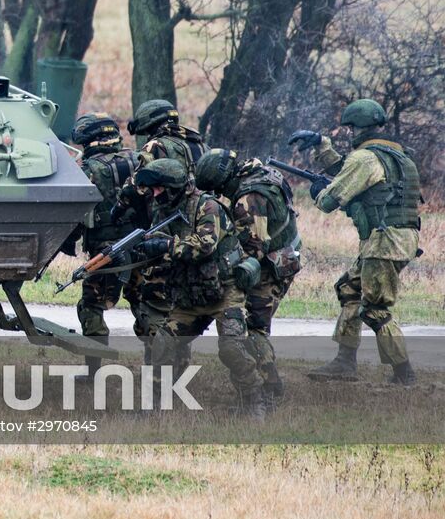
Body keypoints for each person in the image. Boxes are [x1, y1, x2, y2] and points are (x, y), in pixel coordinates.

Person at [291, 99, 422, 386]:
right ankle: (344, 362)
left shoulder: (365, 159)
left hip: (384, 242)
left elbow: (329, 200)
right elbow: (349, 173)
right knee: (350, 289)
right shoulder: (395, 154)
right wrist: (321, 145)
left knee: (375, 308)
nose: (350, 134)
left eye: (351, 129)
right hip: (397, 238)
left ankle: (404, 374)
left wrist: (318, 192)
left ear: (359, 128)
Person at [137, 158, 266, 417]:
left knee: (232, 349)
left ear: (173, 187)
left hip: (225, 291)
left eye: (159, 188)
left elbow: (204, 245)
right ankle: (153, 405)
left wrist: (166, 246)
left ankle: (253, 401)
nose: (154, 194)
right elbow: (160, 247)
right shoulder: (163, 210)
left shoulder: (208, 206)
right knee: (162, 344)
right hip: (190, 295)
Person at [194, 149, 302, 405]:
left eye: (218, 189)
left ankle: (269, 389)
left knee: (254, 329)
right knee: (257, 327)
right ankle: (269, 387)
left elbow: (252, 247)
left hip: (268, 269)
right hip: (284, 257)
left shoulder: (248, 197)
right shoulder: (263, 172)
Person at [116, 99, 209, 356]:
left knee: (150, 300)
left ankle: (159, 366)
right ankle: (177, 358)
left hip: (164, 226)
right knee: (179, 300)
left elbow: (137, 185)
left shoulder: (156, 146)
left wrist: (119, 207)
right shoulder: (197, 143)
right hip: (198, 224)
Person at [70, 112, 141, 374]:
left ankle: (93, 371)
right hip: (142, 247)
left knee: (91, 306)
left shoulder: (89, 170)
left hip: (106, 253)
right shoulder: (137, 159)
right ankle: (162, 369)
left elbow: (75, 213)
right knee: (145, 307)